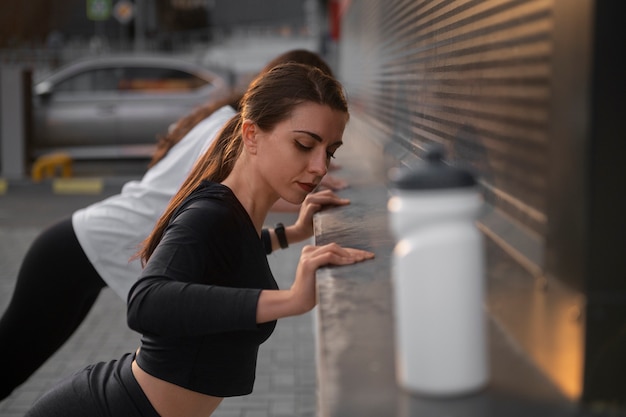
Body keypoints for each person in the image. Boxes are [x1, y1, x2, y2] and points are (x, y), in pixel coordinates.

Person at [24, 62, 375, 417]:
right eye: (304, 144)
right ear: (251, 135)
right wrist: (290, 300)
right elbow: (146, 301)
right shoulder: (211, 213)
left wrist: (293, 233)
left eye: (329, 151)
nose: (320, 167)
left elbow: (226, 257)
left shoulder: (236, 216)